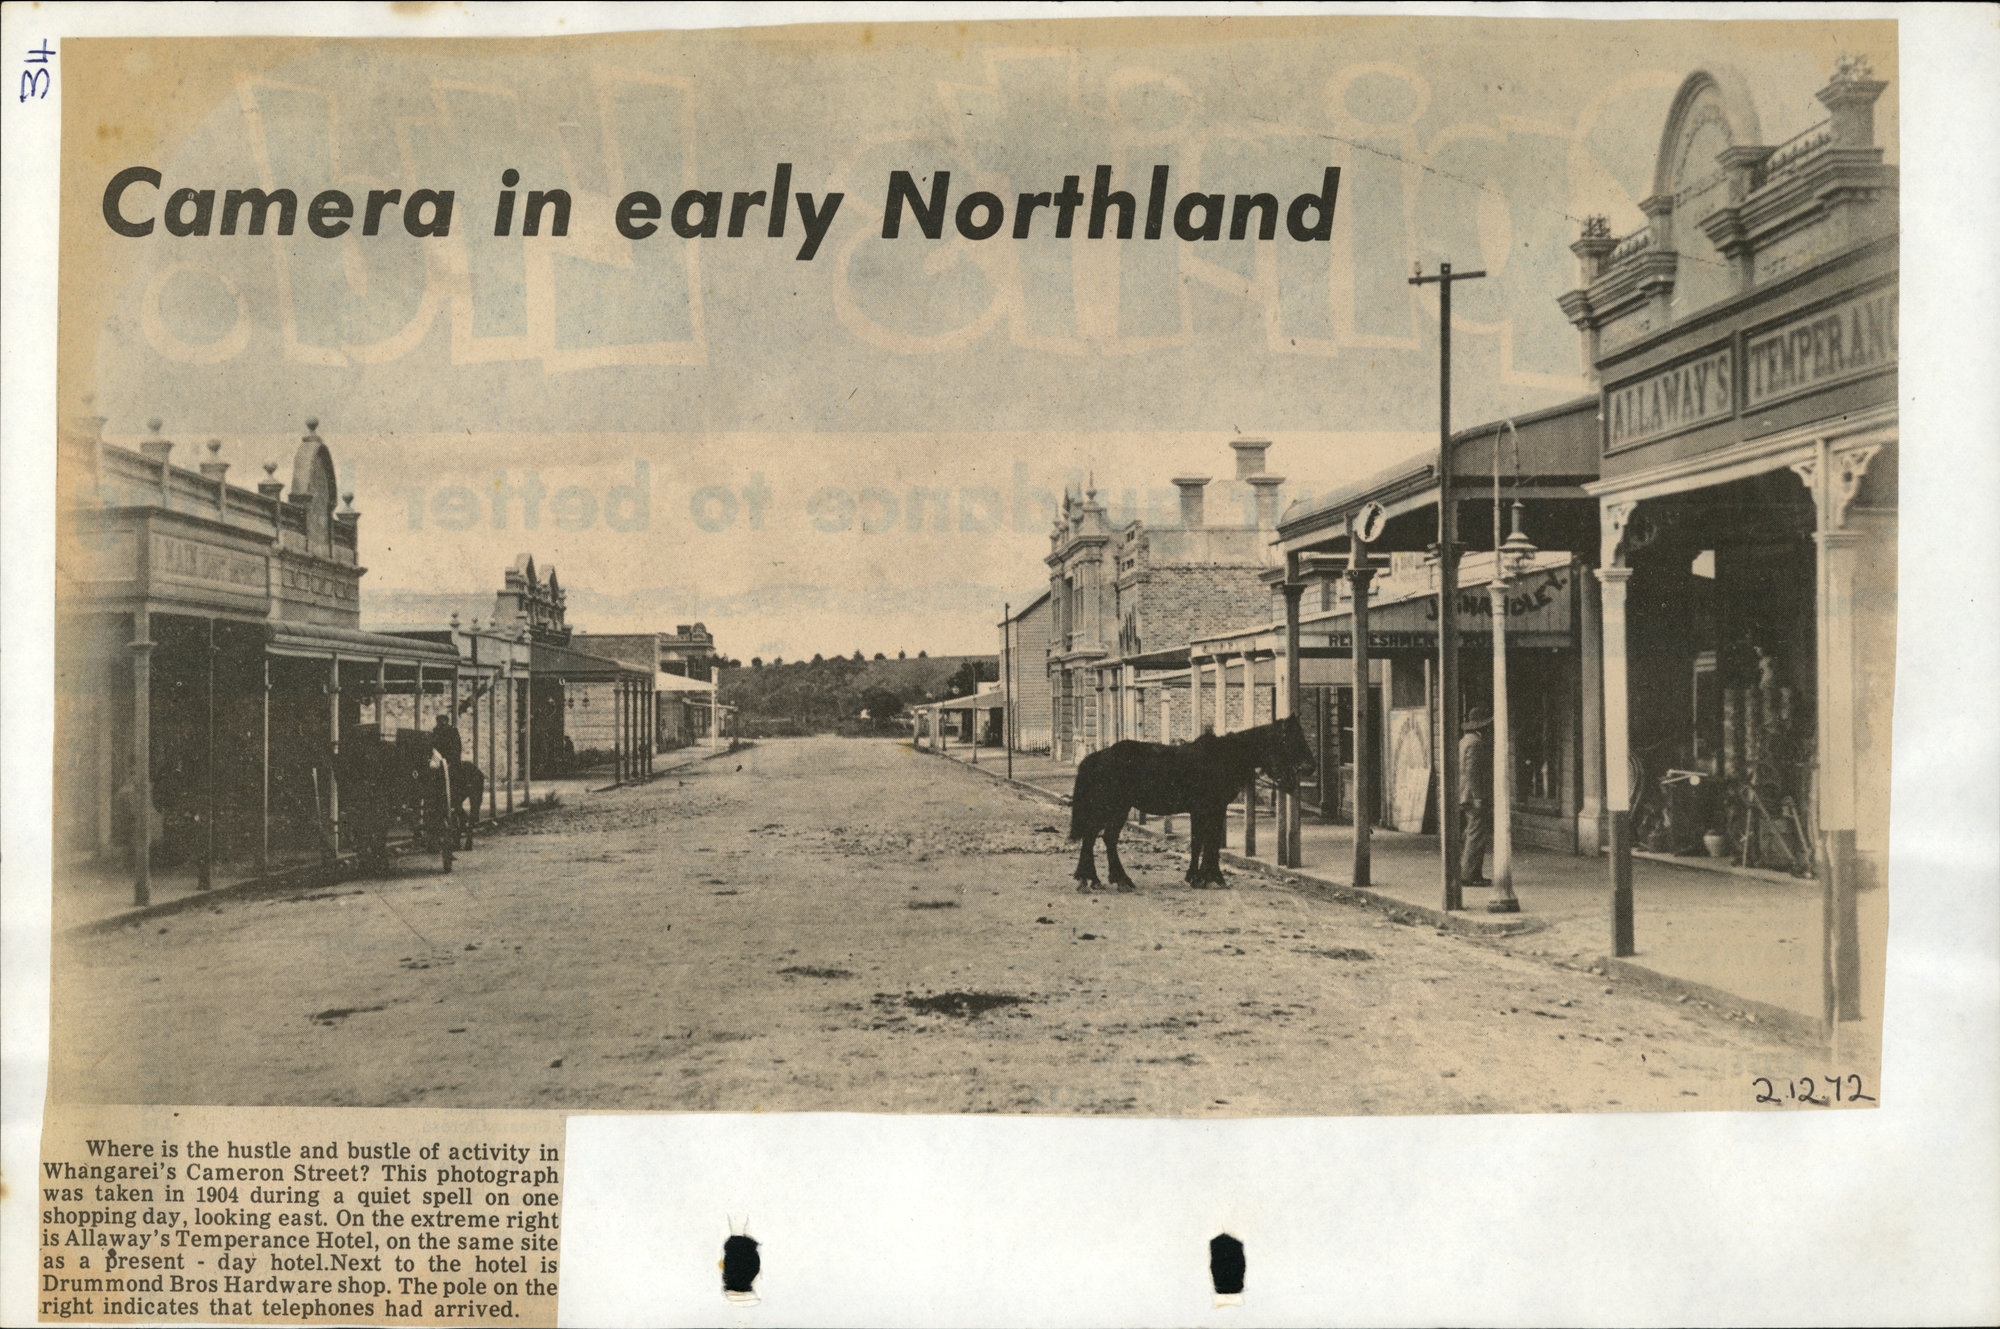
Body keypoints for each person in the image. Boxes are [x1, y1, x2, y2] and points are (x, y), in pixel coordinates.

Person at [1458, 706, 1494, 886]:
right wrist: (1478, 796)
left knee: (1471, 833)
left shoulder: (1465, 740)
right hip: (1473, 796)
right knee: (1476, 835)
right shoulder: (1476, 743)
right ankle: (1470, 875)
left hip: (1466, 794)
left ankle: (1469, 872)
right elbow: (1472, 772)